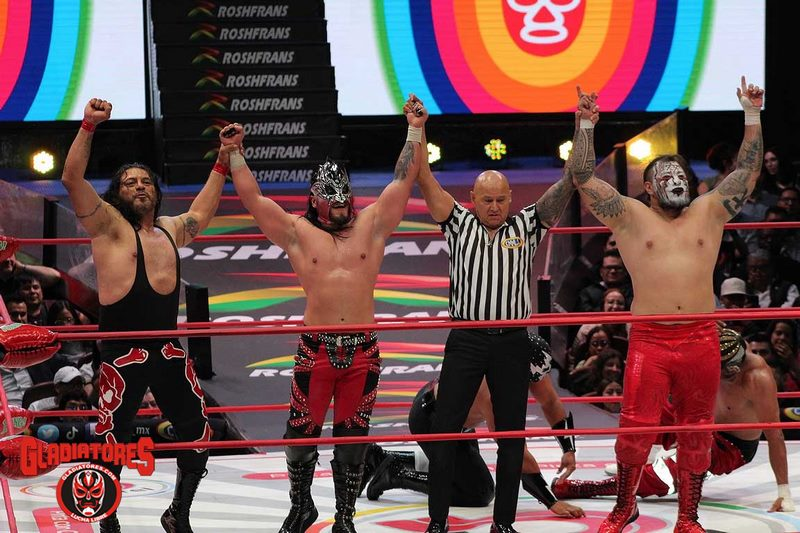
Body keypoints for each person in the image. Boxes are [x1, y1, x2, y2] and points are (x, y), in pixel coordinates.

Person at [570, 77, 764, 532]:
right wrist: (585, 125)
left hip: (700, 336)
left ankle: (688, 518)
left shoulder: (710, 210)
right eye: (666, 176)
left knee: (697, 430)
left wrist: (752, 114)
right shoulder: (629, 216)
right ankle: (624, 507)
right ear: (650, 187)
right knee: (635, 428)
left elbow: (748, 172)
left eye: (680, 174)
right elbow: (583, 178)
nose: (676, 181)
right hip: (651, 339)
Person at [225, 95, 427, 533]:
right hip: (315, 348)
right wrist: (235, 153)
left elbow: (403, 179)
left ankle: (346, 518)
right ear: (316, 202)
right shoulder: (297, 233)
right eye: (333, 206)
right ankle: (301, 507)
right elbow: (254, 200)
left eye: (345, 204)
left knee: (353, 438)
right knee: (300, 433)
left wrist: (415, 127)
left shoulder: (371, 225)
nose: (342, 212)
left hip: (363, 352)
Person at [411, 91, 590, 533]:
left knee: (511, 438)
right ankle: (437, 523)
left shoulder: (529, 224)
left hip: (512, 342)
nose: (493, 207)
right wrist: (417, 129)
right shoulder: (457, 222)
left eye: (500, 200)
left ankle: (504, 524)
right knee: (446, 433)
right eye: (486, 199)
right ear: (472, 198)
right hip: (467, 340)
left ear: (510, 199)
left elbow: (572, 179)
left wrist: (584, 125)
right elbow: (423, 176)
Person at [61, 98, 228, 533]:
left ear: (156, 190)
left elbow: (202, 213)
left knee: (198, 431)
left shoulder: (170, 229)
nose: (139, 187)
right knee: (111, 442)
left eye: (145, 181)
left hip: (168, 349)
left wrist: (223, 161)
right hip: (121, 352)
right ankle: (107, 521)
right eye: (129, 182)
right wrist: (88, 125)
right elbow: (72, 178)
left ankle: (178, 513)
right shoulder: (107, 226)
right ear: (117, 193)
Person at [552, 329, 794, 512]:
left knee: (661, 479)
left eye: (726, 372)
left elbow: (775, 434)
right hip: (698, 417)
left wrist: (784, 491)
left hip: (730, 445)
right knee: (642, 417)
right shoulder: (706, 351)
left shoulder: (757, 379)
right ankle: (634, 464)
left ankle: (590, 487)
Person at [362, 334, 585, 519]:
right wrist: (551, 502)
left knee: (466, 474)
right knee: (478, 492)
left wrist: (568, 449)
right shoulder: (493, 390)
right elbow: (513, 449)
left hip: (459, 423)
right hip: (432, 421)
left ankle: (382, 457)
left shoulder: (526, 360)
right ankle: (396, 473)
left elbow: (550, 401)